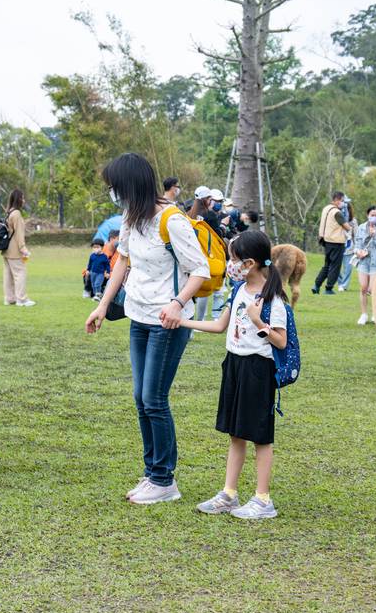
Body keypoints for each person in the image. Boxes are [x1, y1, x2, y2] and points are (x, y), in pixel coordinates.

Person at [86, 153, 209, 505]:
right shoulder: (131, 217)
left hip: (167, 322)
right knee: (141, 398)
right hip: (138, 317)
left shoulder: (173, 220)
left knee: (154, 399)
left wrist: (177, 303)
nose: (112, 194)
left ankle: (164, 479)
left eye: (115, 188)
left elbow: (199, 269)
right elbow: (122, 261)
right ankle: (152, 473)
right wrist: (103, 305)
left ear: (131, 186)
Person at [180, 230, 288, 520]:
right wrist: (182, 322)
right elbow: (219, 326)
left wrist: (258, 321)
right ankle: (229, 493)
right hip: (235, 365)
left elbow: (280, 341)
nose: (230, 264)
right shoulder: (239, 290)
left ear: (250, 263)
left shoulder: (272, 298)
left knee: (260, 437)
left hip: (258, 369)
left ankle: (263, 499)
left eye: (233, 259)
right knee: (236, 433)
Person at [189, 187, 227, 320]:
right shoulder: (210, 215)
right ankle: (200, 321)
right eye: (211, 199)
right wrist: (223, 225)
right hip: (206, 255)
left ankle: (192, 324)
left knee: (191, 292)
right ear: (207, 200)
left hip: (192, 254)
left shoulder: (189, 214)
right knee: (204, 290)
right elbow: (217, 236)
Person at [353, 206, 376, 325]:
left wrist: (374, 236)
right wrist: (358, 252)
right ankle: (363, 314)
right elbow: (357, 244)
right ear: (367, 215)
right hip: (363, 261)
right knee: (363, 287)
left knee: (373, 289)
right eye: (371, 215)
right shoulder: (361, 227)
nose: (373, 217)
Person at [1, 188, 34, 307]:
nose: (24, 200)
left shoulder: (9, 212)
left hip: (6, 250)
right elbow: (19, 233)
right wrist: (23, 248)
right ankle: (22, 299)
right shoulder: (17, 214)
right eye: (23, 198)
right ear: (19, 199)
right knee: (20, 273)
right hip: (15, 250)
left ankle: (9, 298)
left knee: (8, 275)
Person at [312, 191, 350, 294]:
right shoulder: (337, 212)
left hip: (326, 240)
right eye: (342, 201)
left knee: (327, 265)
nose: (343, 203)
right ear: (337, 200)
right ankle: (329, 288)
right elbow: (347, 227)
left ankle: (316, 285)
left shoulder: (326, 208)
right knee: (335, 266)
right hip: (336, 241)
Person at [337, 201, 358, 291]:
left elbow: (356, 235)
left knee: (347, 268)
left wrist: (356, 248)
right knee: (335, 267)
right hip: (337, 246)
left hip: (349, 248)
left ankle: (344, 285)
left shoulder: (353, 221)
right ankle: (340, 283)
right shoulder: (336, 220)